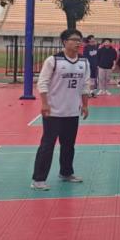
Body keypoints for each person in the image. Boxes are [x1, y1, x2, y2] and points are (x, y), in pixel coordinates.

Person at [31, 29, 91, 190]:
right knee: (47, 145)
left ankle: (66, 172)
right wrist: (45, 103)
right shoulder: (53, 60)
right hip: (54, 111)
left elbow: (85, 85)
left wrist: (85, 105)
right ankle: (38, 179)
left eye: (79, 40)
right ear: (65, 42)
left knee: (69, 145)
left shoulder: (84, 62)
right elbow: (42, 83)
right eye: (74, 39)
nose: (78, 42)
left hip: (72, 111)